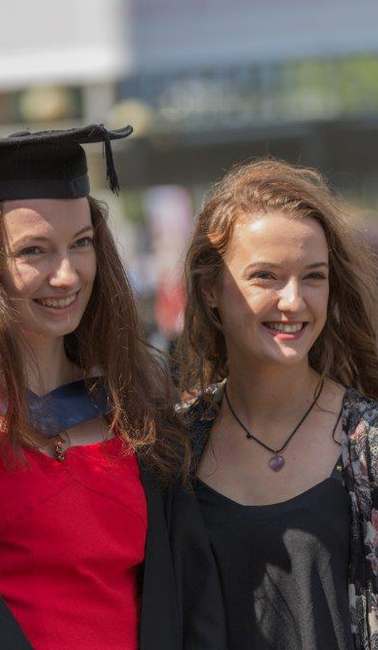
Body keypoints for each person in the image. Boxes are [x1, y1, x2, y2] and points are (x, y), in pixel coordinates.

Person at [0, 125, 227, 650]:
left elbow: (189, 596)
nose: (68, 274)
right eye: (35, 251)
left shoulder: (136, 407)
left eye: (81, 244)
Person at [175, 158, 378, 650]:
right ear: (211, 290)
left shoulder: (367, 445)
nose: (293, 301)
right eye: (266, 276)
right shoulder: (172, 451)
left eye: (313, 277)